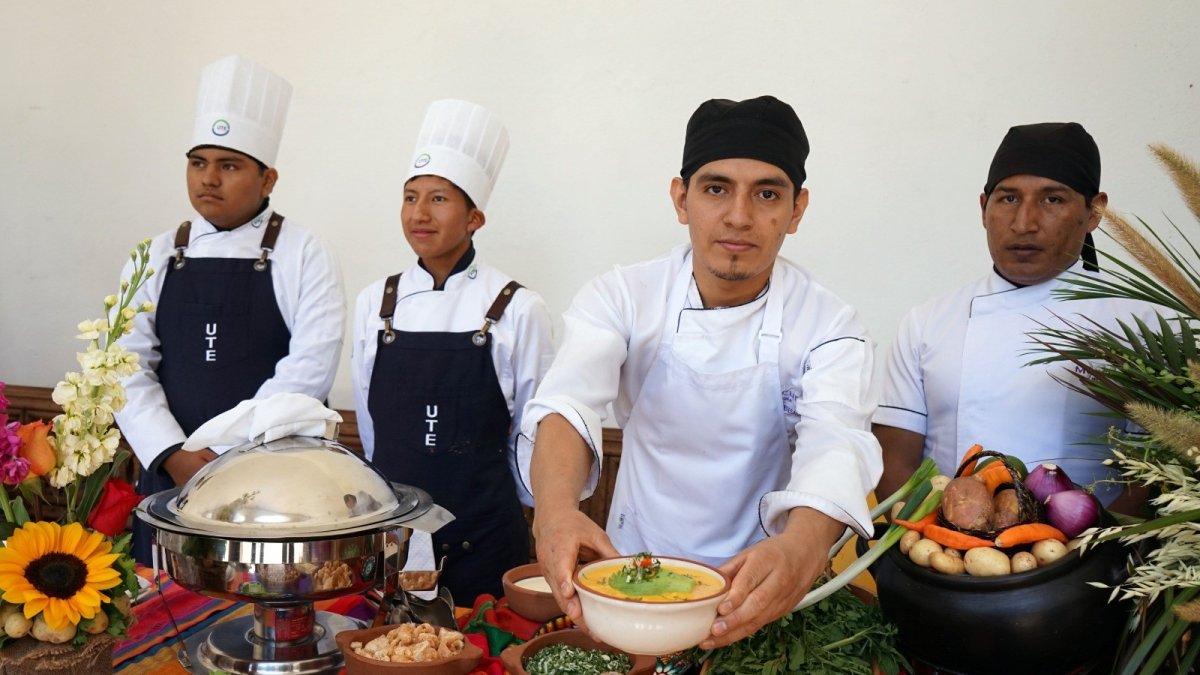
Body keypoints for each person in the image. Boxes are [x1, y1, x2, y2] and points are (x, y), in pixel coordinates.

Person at [519, 96, 882, 649]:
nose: (739, 215)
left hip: (756, 588)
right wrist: (554, 512)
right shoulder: (623, 295)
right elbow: (569, 400)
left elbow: (836, 441)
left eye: (767, 193)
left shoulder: (830, 324)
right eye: (716, 188)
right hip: (629, 579)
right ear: (680, 198)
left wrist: (802, 549)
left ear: (797, 209)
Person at [116, 55, 345, 563]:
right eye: (198, 163)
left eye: (229, 165)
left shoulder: (305, 252)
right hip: (168, 477)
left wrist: (228, 460)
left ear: (268, 179)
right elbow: (124, 366)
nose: (208, 179)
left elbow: (308, 369)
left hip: (270, 483)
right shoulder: (153, 254)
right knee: (162, 624)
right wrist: (173, 454)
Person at [874, 122, 1156, 510]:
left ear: (1094, 212)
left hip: (1091, 558)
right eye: (1008, 199)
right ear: (983, 208)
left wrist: (1089, 559)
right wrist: (924, 547)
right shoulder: (927, 322)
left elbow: (1153, 472)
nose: (1024, 223)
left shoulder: (1139, 324)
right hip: (943, 552)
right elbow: (895, 456)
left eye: (1052, 200)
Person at [351, 99, 554, 603]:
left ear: (475, 218)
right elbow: (371, 431)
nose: (419, 214)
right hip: (393, 533)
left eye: (438, 199)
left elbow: (534, 434)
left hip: (486, 534)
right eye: (410, 197)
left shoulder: (517, 307)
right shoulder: (375, 303)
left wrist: (532, 509)